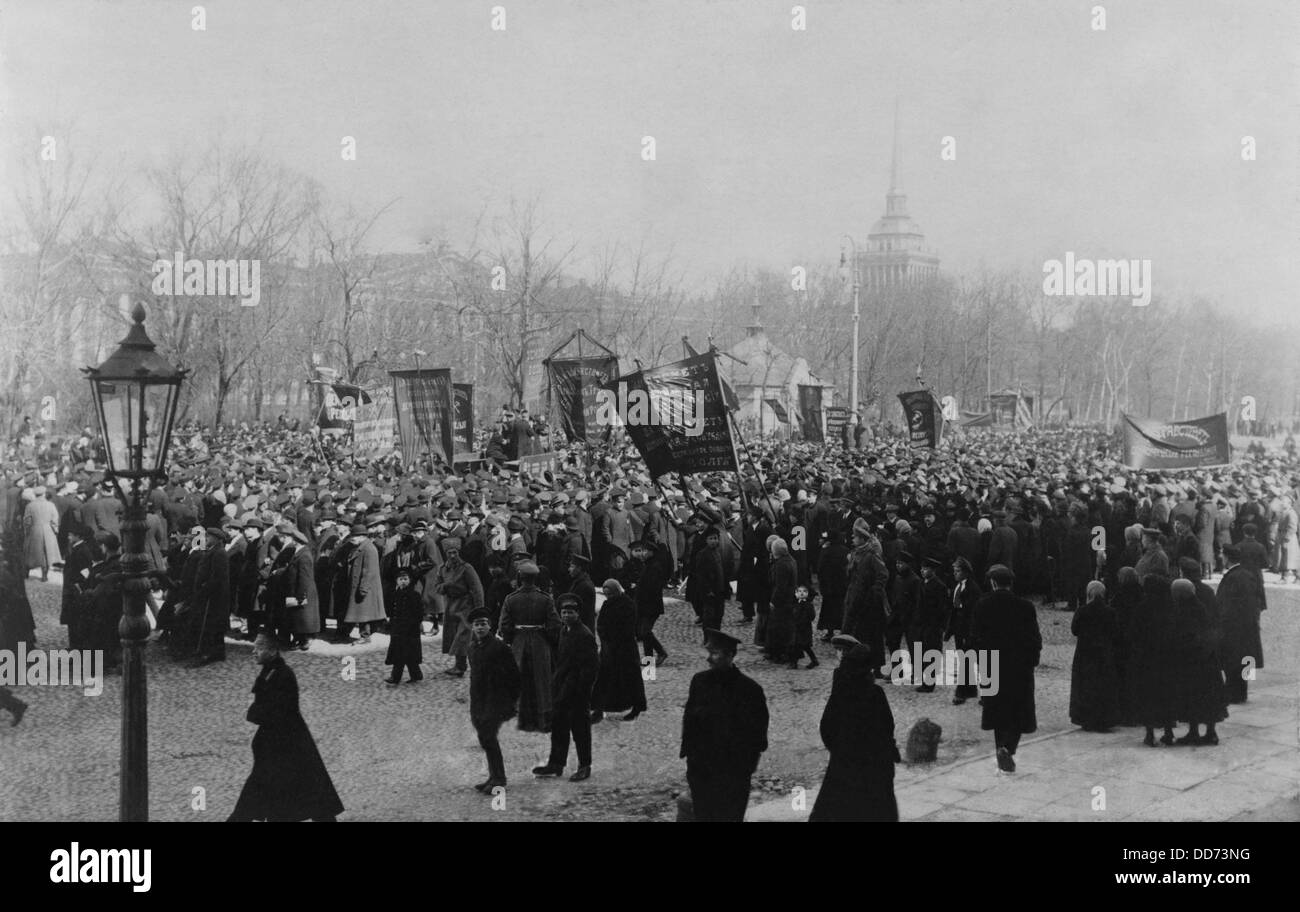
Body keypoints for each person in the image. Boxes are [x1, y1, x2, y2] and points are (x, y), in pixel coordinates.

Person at [228, 633, 344, 822]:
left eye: (259, 648)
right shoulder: (270, 671)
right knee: (307, 793)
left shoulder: (282, 675)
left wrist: (255, 712)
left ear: (273, 651)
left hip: (284, 746)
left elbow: (274, 711)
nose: (254, 651)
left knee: (301, 793)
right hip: (279, 746)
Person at [679, 628, 769, 822]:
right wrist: (690, 758)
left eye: (715, 653)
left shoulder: (750, 690)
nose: (709, 658)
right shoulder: (699, 681)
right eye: (708, 652)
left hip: (733, 774)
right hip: (702, 770)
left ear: (730, 655)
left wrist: (745, 767)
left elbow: (758, 735)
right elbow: (689, 721)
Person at [808, 635, 900, 821]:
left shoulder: (841, 693)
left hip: (844, 764)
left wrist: (840, 750)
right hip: (874, 767)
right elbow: (887, 727)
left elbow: (827, 728)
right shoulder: (875, 694)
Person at [972, 564, 1041, 772]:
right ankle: (1009, 748)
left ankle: (1000, 747)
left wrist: (980, 660)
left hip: (993, 663)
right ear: (1011, 583)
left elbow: (975, 638)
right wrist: (1032, 660)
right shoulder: (1025, 606)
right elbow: (1034, 638)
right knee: (1019, 710)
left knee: (997, 709)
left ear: (993, 583)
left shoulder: (983, 605)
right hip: (1019, 666)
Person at [534, 593, 599, 782]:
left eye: (570, 612)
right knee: (559, 728)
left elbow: (592, 667)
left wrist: (581, 691)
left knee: (580, 731)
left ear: (578, 614)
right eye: (564, 612)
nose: (566, 615)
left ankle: (584, 766)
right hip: (562, 689)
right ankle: (556, 764)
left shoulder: (584, 635)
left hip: (577, 693)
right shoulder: (565, 631)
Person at [498, 561, 560, 732]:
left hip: (519, 642)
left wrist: (510, 640)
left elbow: (504, 626)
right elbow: (555, 625)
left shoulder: (511, 599)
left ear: (520, 577)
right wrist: (548, 638)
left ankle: (524, 717)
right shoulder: (545, 599)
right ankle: (544, 717)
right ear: (535, 578)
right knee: (542, 680)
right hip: (540, 642)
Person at [467, 607, 520, 793]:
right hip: (479, 700)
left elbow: (514, 675)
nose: (480, 628)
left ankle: (499, 779)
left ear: (489, 626)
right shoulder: (472, 647)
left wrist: (512, 701)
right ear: (472, 627)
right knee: (485, 738)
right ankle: (493, 776)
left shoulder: (499, 648)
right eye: (476, 624)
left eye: (483, 624)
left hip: (496, 700)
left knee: (489, 737)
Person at [1170, 577, 1226, 745]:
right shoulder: (1199, 607)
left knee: (1193, 697)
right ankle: (1211, 732)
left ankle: (1194, 732)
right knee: (1208, 698)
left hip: (1194, 661)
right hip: (1208, 661)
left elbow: (1184, 636)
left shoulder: (1184, 610)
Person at [1129, 573, 1178, 746]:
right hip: (1166, 659)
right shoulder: (1170, 607)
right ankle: (1168, 731)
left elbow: (1134, 633)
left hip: (1147, 660)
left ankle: (1149, 733)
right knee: (1167, 696)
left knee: (1148, 696)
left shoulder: (1142, 608)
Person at [590, 578, 647, 722]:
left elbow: (627, 628)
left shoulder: (628, 605)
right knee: (602, 679)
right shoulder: (607, 604)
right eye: (606, 594)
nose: (608, 597)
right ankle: (598, 709)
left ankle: (637, 707)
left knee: (630, 678)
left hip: (625, 649)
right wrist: (604, 637)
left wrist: (612, 637)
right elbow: (601, 624)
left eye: (610, 594)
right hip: (609, 648)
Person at [1068, 580, 1121, 731]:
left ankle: (1087, 719)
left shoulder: (1082, 611)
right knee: (1104, 685)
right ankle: (1104, 719)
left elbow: (1074, 630)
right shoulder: (1110, 611)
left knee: (1086, 686)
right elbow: (1115, 632)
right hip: (1104, 653)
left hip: (1085, 653)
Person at [1217, 543, 1266, 704]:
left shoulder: (1234, 577)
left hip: (1236, 628)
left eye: (1222, 555)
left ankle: (1235, 694)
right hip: (1245, 627)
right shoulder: (1244, 574)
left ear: (1227, 558)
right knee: (1243, 660)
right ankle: (1240, 693)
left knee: (1234, 661)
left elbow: (1229, 605)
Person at [432, 537, 484, 676]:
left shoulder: (466, 568)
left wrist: (479, 610)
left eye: (455, 552)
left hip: (465, 605)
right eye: (450, 553)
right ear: (446, 554)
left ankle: (468, 666)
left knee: (464, 636)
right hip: (450, 606)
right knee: (455, 636)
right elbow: (437, 587)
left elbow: (477, 589)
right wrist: (445, 586)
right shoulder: (442, 569)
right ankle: (459, 665)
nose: (453, 555)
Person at [628, 538, 668, 667]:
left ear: (651, 552)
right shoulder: (648, 565)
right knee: (643, 632)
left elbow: (653, 588)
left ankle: (661, 652)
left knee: (645, 631)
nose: (642, 553)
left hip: (651, 606)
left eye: (645, 550)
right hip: (644, 605)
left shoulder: (655, 567)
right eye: (642, 550)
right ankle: (648, 658)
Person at [946, 557, 982, 705]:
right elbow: (954, 610)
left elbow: (972, 611)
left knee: (968, 661)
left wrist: (971, 633)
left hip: (968, 630)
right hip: (960, 629)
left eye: (958, 570)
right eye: (954, 570)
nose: (955, 573)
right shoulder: (958, 586)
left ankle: (962, 692)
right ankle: (970, 689)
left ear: (966, 572)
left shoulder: (972, 588)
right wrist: (950, 630)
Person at [344, 523, 385, 644]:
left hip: (366, 586)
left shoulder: (369, 549)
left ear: (362, 537)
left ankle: (365, 636)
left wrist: (363, 588)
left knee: (364, 612)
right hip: (361, 585)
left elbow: (369, 572)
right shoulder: (361, 546)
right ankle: (365, 634)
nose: (352, 539)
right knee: (362, 611)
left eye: (354, 537)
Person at [384, 567, 425, 685]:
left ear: (410, 580)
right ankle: (409, 675)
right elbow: (391, 610)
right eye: (400, 579)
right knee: (399, 653)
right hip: (397, 629)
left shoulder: (414, 595)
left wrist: (416, 623)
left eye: (405, 579)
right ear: (396, 581)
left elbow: (419, 611)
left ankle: (407, 676)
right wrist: (389, 621)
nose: (403, 581)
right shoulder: (394, 594)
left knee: (409, 654)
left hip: (410, 630)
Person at [22, 486, 60, 582]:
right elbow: (55, 519)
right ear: (44, 494)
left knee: (30, 552)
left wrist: (27, 531)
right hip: (48, 530)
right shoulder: (51, 505)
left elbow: (27, 520)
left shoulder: (30, 505)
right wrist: (55, 529)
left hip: (34, 529)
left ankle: (26, 573)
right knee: (46, 553)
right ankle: (44, 576)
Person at [789, 584, 819, 669]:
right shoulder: (795, 604)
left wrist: (804, 620)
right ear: (796, 593)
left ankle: (813, 660)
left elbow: (812, 616)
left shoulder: (808, 605)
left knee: (805, 646)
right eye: (799, 591)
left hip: (805, 628)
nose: (802, 593)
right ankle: (794, 662)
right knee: (796, 645)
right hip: (797, 628)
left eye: (804, 591)